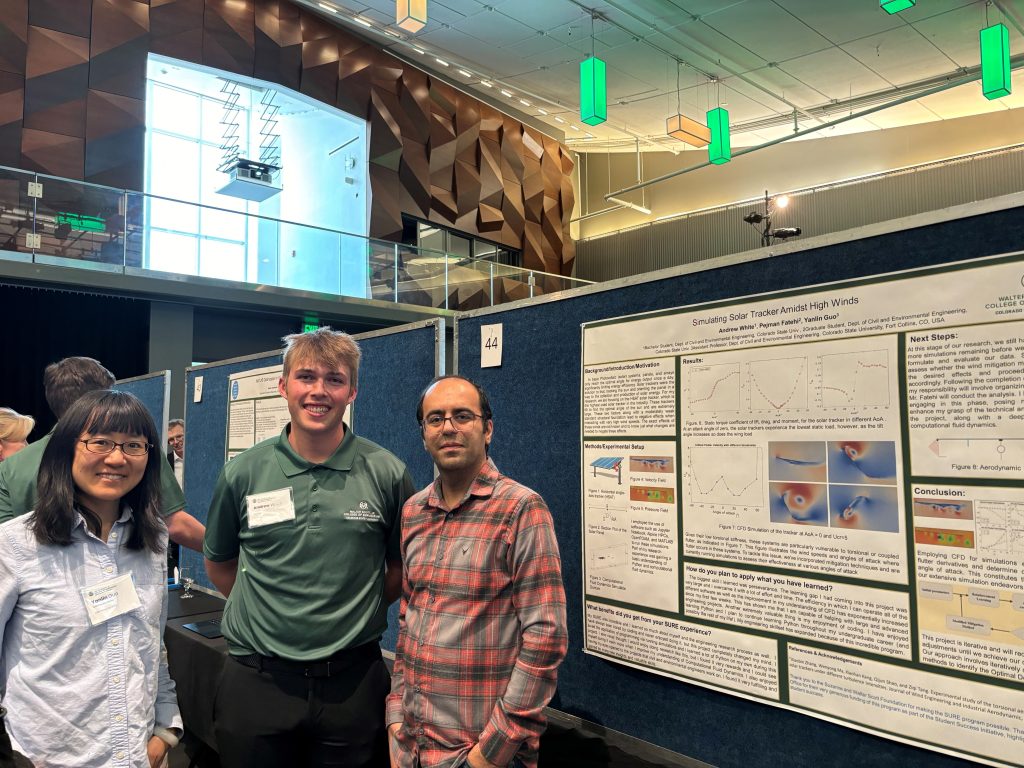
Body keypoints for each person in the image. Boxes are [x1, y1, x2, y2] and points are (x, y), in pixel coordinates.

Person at [204, 327, 415, 768]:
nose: (319, 391)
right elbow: (220, 563)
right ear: (284, 386)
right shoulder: (242, 473)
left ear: (352, 391)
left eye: (334, 380)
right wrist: (272, 612)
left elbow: (399, 569)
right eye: (306, 377)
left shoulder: (388, 474)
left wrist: (349, 613)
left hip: (353, 684)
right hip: (256, 680)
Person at [386, 376, 568, 768]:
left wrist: (490, 754)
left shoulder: (522, 509)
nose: (448, 427)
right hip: (413, 748)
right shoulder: (414, 512)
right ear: (423, 435)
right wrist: (395, 717)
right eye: (435, 419)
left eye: (462, 416)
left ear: (487, 429)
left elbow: (546, 637)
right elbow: (409, 618)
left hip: (480, 755)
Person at [0, 390, 183, 767]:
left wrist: (166, 730)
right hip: (49, 757)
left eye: (133, 444)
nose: (116, 457)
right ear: (66, 449)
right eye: (99, 442)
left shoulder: (153, 540)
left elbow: (153, 644)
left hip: (137, 753)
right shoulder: (15, 545)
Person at [0, 357, 205, 552]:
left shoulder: (10, 468)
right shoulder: (134, 452)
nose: (114, 458)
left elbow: (7, 545)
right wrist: (226, 555)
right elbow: (175, 524)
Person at [166, 419, 184, 488]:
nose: (175, 442)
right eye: (171, 439)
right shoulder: (165, 463)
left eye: (179, 436)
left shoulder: (202, 458)